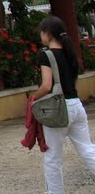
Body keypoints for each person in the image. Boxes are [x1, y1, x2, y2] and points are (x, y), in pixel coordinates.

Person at [33, 15, 95, 194]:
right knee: (87, 148)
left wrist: (33, 99)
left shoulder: (45, 55)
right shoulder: (69, 53)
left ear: (48, 34)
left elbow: (46, 86)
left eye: (42, 32)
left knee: (53, 157)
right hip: (76, 105)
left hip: (58, 110)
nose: (41, 36)